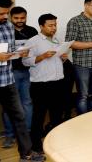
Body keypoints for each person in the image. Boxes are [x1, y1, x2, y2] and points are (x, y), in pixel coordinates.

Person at [0, 0, 44, 162]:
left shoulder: (8, 27)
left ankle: (26, 154)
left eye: (6, 13)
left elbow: (9, 51)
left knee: (19, 117)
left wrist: (19, 53)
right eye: (1, 13)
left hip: (7, 80)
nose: (5, 17)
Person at [22, 13, 68, 156]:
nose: (53, 28)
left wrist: (64, 58)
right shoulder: (32, 41)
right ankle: (36, 146)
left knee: (57, 116)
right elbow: (25, 61)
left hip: (58, 83)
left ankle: (55, 143)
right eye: (50, 25)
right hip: (41, 85)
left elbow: (58, 61)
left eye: (55, 25)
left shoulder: (56, 40)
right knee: (39, 117)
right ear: (41, 26)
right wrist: (42, 56)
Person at [1, 6, 37, 149]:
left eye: (22, 18)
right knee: (8, 106)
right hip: (9, 73)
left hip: (28, 71)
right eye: (16, 18)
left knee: (27, 103)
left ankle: (26, 132)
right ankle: (10, 134)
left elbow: (36, 49)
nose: (20, 21)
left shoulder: (32, 31)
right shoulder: (6, 29)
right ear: (11, 17)